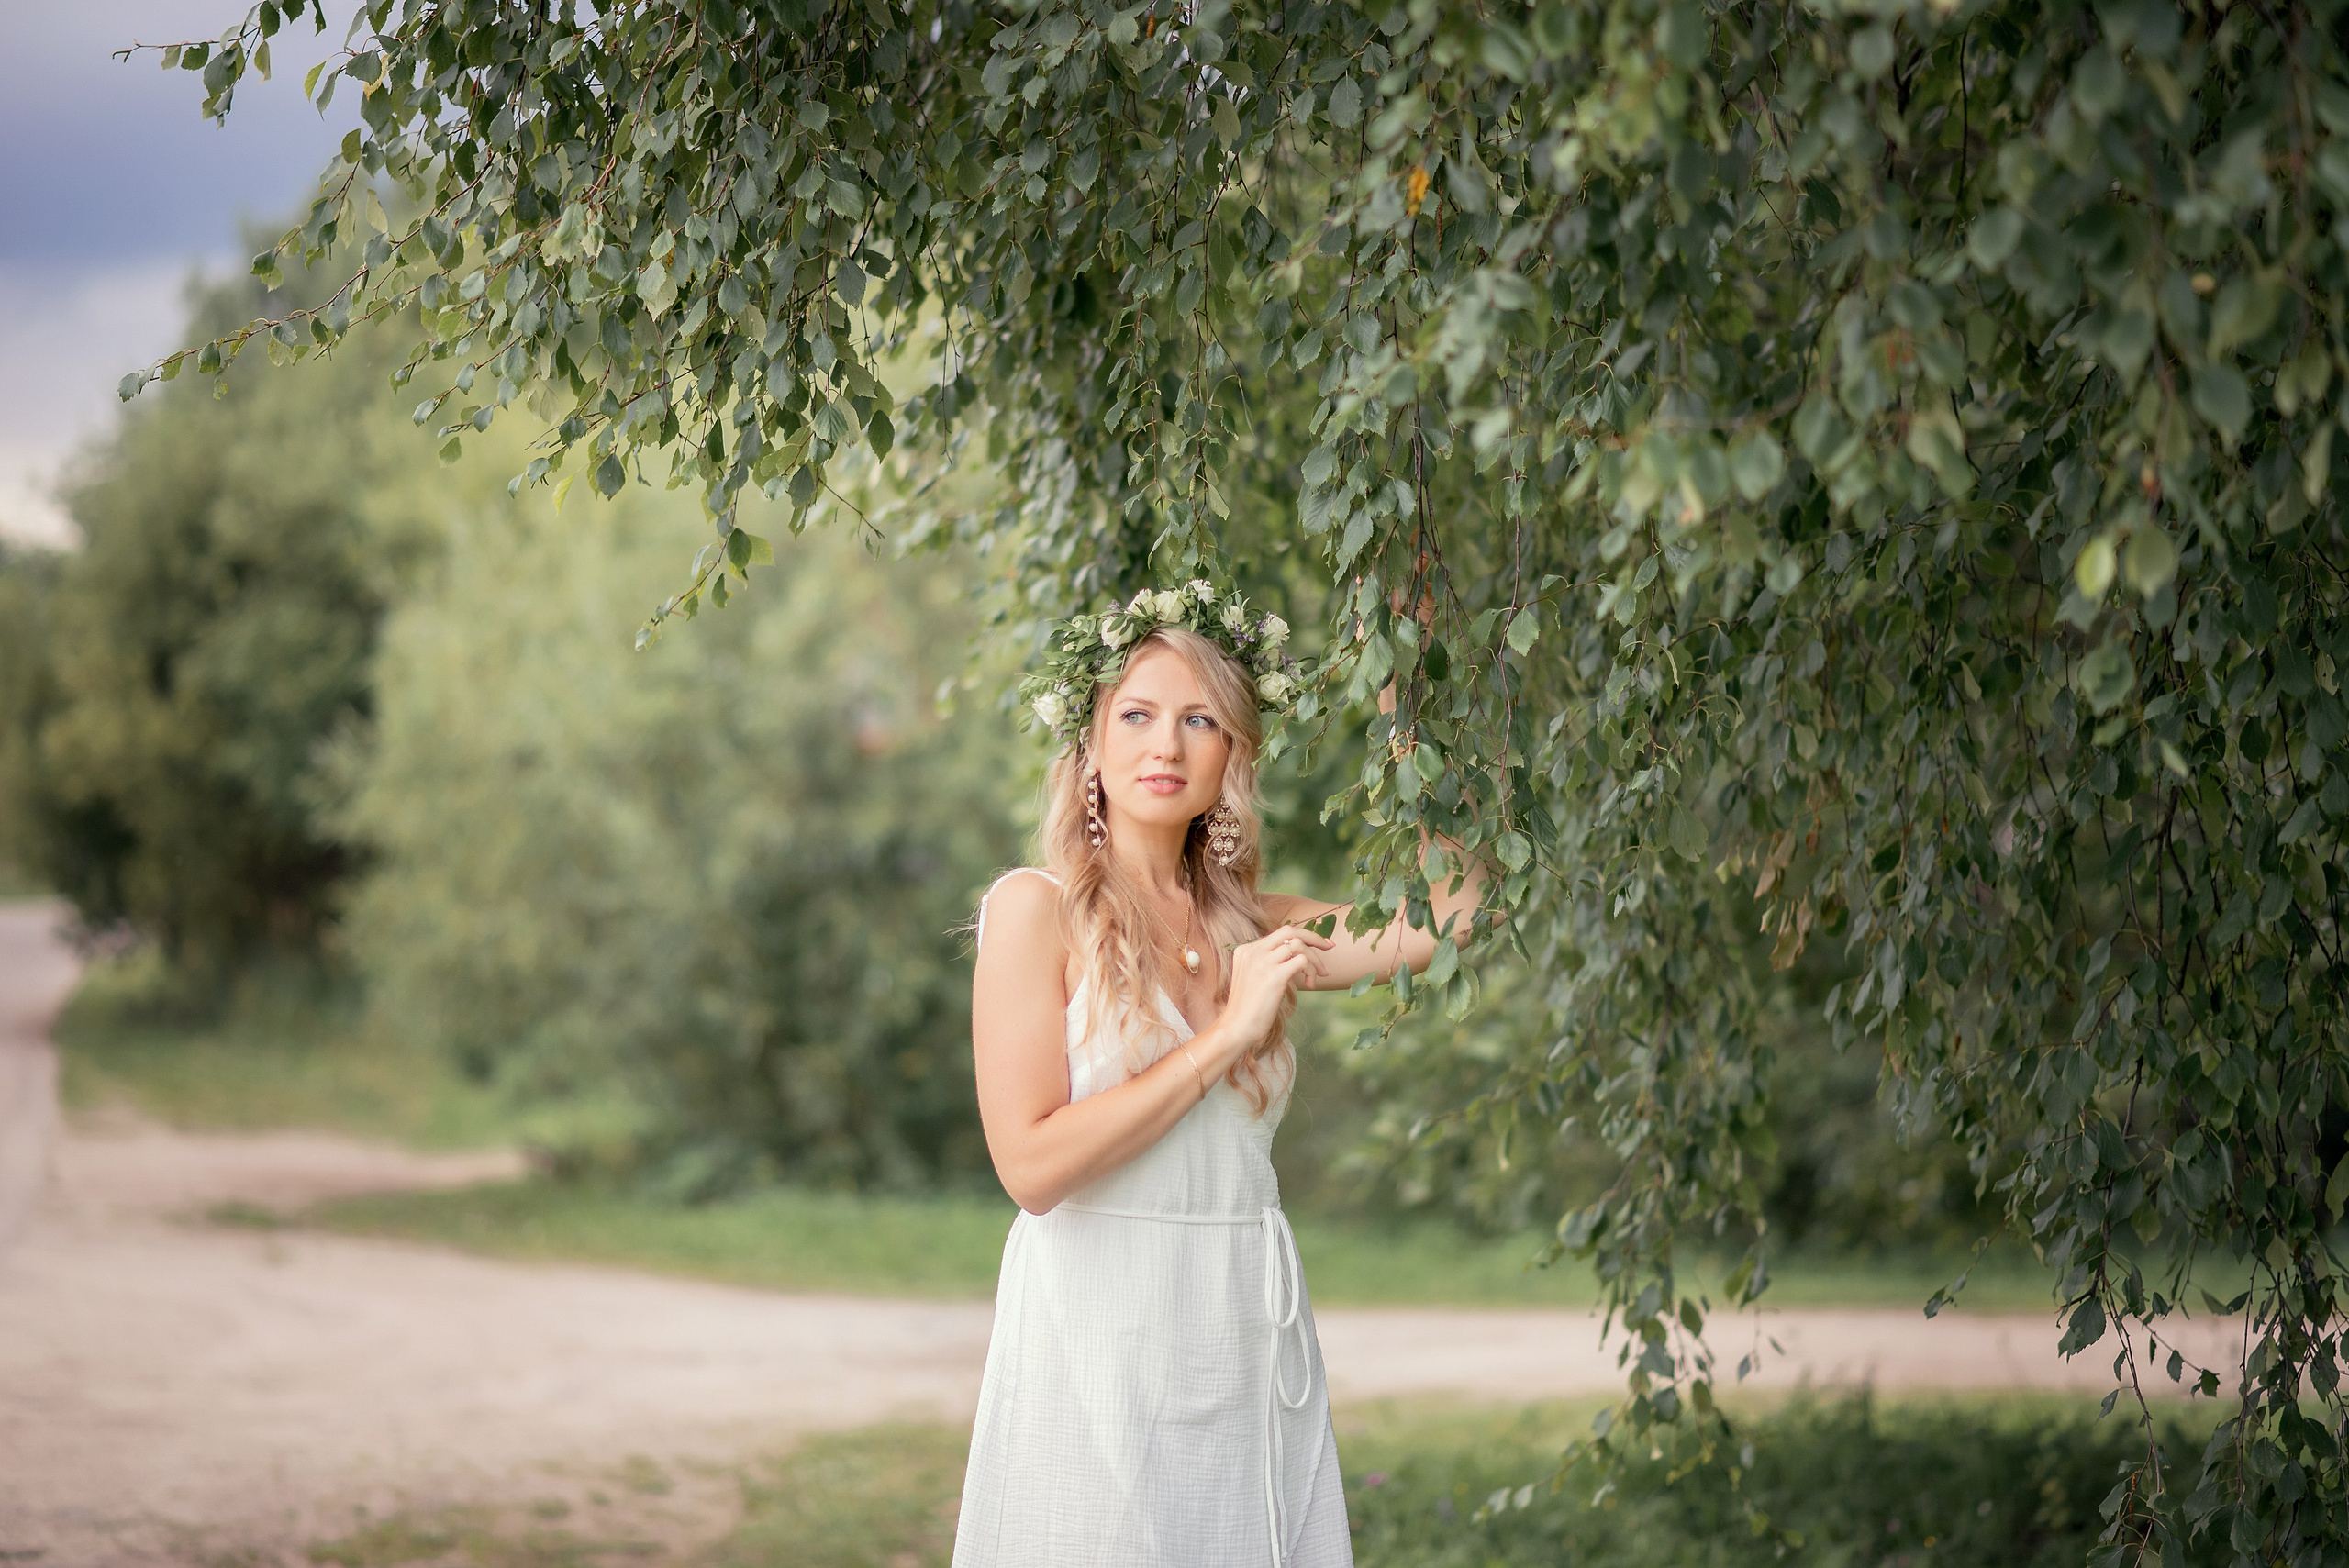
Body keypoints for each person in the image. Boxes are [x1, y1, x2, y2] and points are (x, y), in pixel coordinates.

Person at [952, 584, 1486, 1567]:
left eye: (1198, 719)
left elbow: (1454, 909)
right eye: (1137, 714)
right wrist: (1226, 1032)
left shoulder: (1254, 924)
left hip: (1238, 1321)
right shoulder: (1036, 910)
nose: (1165, 746)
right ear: (1090, 744)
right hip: (1097, 1325)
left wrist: (1401, 707)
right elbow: (1030, 1167)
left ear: (1232, 755)